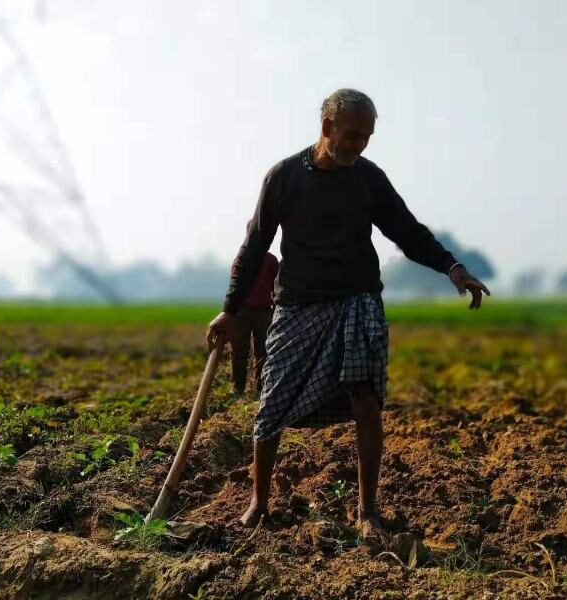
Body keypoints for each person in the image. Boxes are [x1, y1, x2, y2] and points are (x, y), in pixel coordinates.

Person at [205, 88, 490, 538]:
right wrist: (230, 310)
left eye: (367, 137)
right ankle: (259, 504)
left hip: (357, 300)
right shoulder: (282, 178)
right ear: (327, 128)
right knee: (271, 405)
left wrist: (451, 267)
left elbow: (408, 232)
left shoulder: (369, 179)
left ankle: (367, 510)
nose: (360, 145)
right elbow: (255, 245)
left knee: (367, 401)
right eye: (353, 135)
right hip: (297, 304)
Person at [229, 251, 279, 395]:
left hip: (263, 311)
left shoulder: (271, 260)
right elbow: (234, 283)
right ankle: (238, 387)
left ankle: (259, 387)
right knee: (239, 350)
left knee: (263, 350)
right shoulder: (241, 258)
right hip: (242, 311)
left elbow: (276, 285)